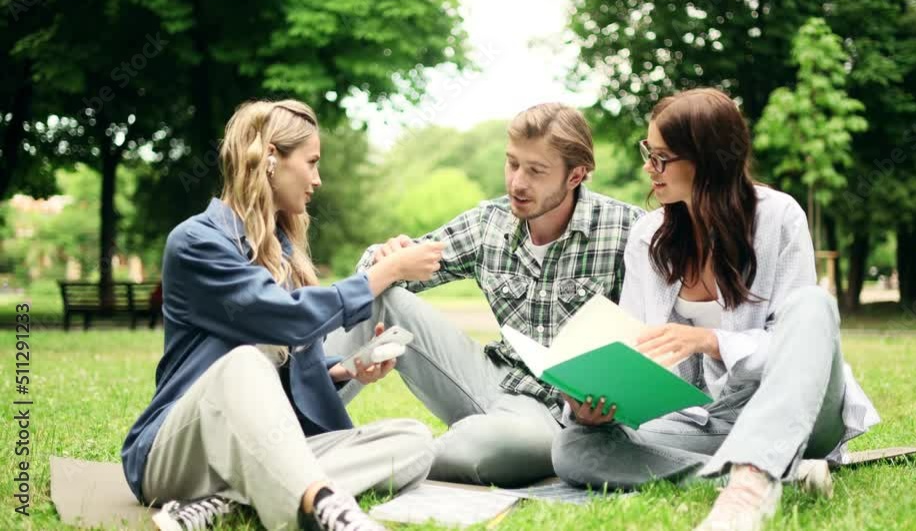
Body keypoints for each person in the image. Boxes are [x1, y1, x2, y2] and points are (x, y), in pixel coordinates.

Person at [549, 88, 880, 531]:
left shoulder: (780, 217)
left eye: (662, 157)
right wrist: (598, 403)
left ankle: (750, 488)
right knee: (574, 448)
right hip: (707, 418)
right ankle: (771, 475)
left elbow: (798, 345)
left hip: (800, 408)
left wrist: (711, 340)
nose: (649, 167)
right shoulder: (648, 237)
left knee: (813, 304)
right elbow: (634, 346)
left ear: (708, 161)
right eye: (648, 152)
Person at [121, 99, 446, 531]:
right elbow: (285, 320)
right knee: (241, 363)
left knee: (414, 441)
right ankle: (327, 508)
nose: (317, 178)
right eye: (310, 162)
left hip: (258, 447)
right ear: (271, 158)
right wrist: (382, 274)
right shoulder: (197, 242)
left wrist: (343, 371)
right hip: (178, 450)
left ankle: (226, 504)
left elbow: (283, 358)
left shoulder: (282, 253)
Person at [325, 102, 644, 487]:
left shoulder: (628, 230)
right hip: (489, 377)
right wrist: (385, 259)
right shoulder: (487, 222)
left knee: (491, 450)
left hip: (554, 415)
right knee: (379, 293)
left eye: (536, 170)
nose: (517, 183)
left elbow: (654, 340)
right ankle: (302, 429)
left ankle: (369, 459)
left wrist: (603, 405)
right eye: (512, 164)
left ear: (575, 175)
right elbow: (375, 278)